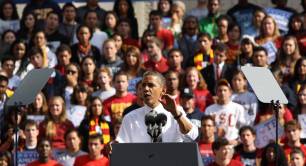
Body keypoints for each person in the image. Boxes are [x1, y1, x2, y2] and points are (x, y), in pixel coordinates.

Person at [116, 71, 198, 143]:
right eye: (143, 85)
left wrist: (176, 115)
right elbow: (121, 145)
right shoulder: (130, 118)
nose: (146, 89)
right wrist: (113, 146)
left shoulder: (176, 112)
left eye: (151, 85)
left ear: (163, 91)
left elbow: (192, 136)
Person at [205, 79, 246, 143]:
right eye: (220, 90)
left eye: (225, 90)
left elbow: (243, 129)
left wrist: (237, 141)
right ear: (216, 92)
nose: (222, 93)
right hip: (215, 144)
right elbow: (205, 129)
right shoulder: (209, 110)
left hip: (233, 144)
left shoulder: (238, 108)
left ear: (230, 92)